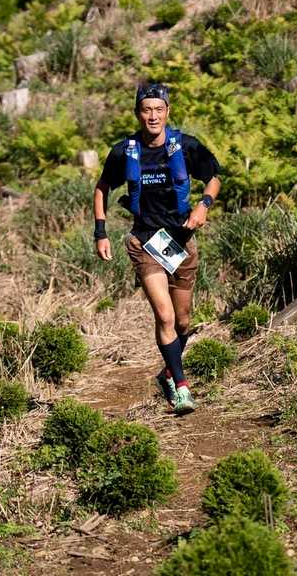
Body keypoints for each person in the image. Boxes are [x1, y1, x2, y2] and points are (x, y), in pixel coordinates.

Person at [93, 81, 222, 413]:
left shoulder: (185, 145)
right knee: (164, 315)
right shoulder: (124, 151)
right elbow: (102, 187)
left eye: (158, 110)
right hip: (145, 242)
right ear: (138, 113)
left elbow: (214, 178)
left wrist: (204, 206)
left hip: (181, 242)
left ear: (167, 112)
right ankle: (181, 388)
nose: (153, 116)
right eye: (146, 110)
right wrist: (100, 232)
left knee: (182, 321)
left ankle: (168, 372)